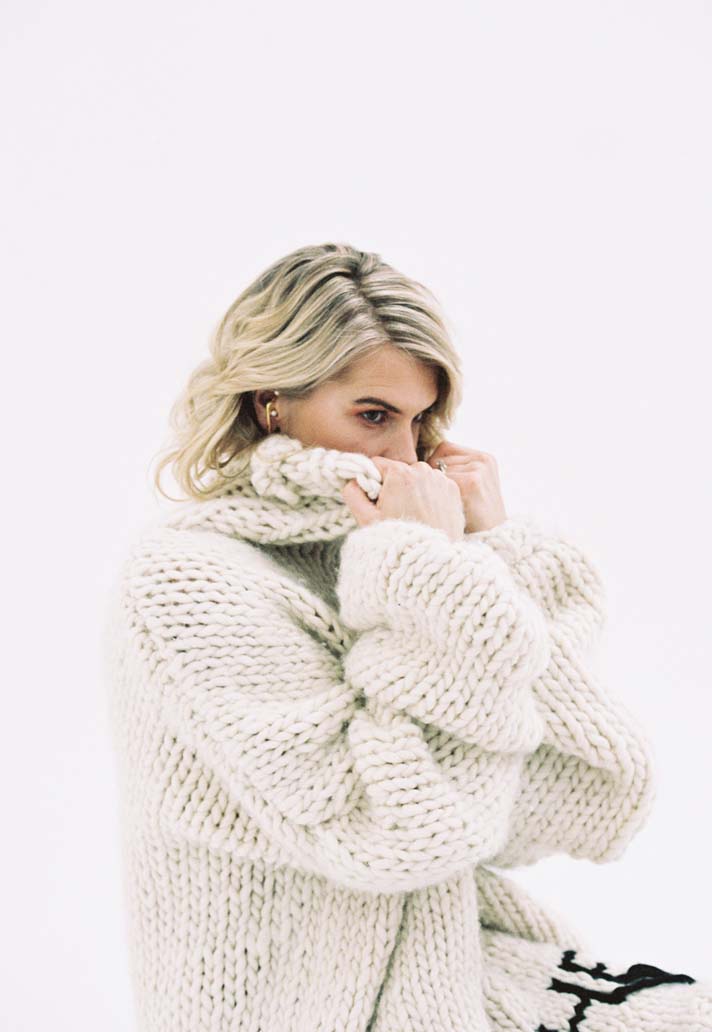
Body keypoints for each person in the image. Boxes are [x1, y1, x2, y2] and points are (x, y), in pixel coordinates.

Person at [102, 242, 711, 1032]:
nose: (402, 452)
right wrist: (425, 566)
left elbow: (589, 792)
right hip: (303, 1008)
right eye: (373, 415)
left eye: (420, 420)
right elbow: (394, 832)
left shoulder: (396, 549)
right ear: (270, 401)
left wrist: (492, 553)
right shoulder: (188, 582)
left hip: (448, 967)